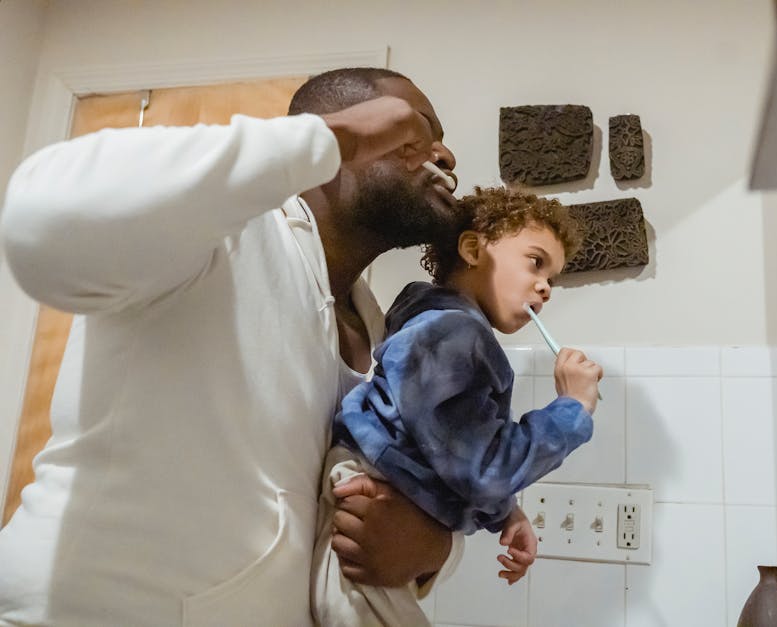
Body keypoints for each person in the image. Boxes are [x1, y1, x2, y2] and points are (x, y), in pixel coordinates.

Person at [0, 68, 468, 626]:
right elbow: (43, 223)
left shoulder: (393, 339)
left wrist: (434, 549)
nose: (447, 155)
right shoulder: (218, 236)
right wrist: (328, 140)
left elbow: (409, 485)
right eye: (421, 126)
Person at [311, 186, 604, 626]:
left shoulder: (439, 326)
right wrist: (572, 409)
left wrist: (505, 511)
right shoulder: (454, 335)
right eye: (535, 261)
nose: (545, 287)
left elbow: (453, 452)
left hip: (380, 493)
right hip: (370, 502)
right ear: (471, 249)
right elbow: (482, 470)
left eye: (553, 280)